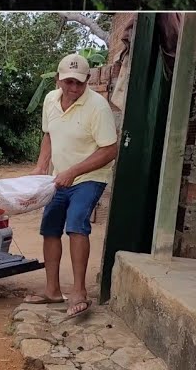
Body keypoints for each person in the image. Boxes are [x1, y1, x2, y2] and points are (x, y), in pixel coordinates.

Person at [24, 53, 119, 319]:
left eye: (79, 83)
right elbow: (49, 136)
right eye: (68, 82)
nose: (74, 88)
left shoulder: (97, 107)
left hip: (89, 176)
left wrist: (74, 171)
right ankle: (52, 290)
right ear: (58, 79)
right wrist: (42, 167)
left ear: (87, 80)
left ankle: (78, 292)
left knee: (76, 222)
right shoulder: (50, 100)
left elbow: (110, 150)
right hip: (59, 176)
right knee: (50, 227)